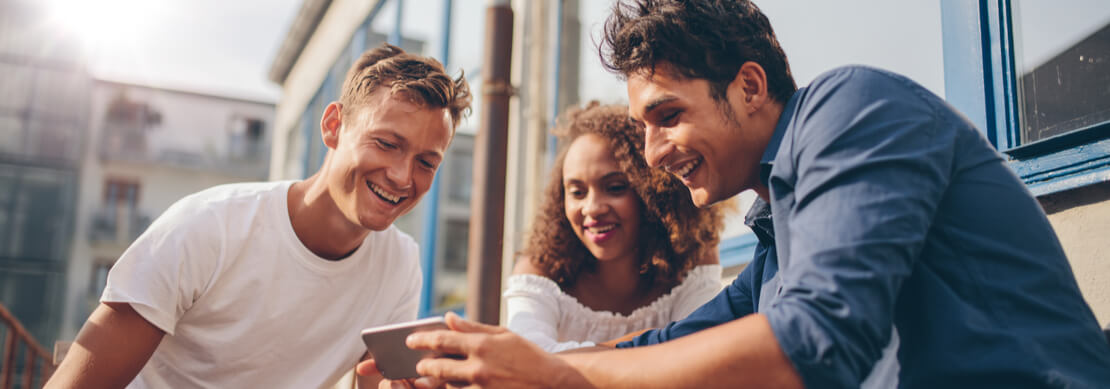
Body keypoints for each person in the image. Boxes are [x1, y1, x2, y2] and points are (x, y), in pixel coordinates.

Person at [363, 0, 1110, 387]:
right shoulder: (783, 226)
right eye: (641, 126)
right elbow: (669, 345)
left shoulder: (853, 108)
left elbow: (813, 345)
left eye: (668, 116)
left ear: (749, 86)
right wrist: (502, 364)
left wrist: (557, 374)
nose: (655, 151)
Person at [46, 44, 471, 389]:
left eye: (426, 163)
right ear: (333, 126)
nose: (402, 176)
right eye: (386, 143)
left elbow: (371, 384)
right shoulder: (209, 227)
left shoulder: (399, 264)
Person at [504, 102, 726, 353]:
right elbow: (526, 361)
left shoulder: (694, 260)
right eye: (577, 192)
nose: (592, 208)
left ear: (653, 193)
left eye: (615, 187)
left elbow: (698, 355)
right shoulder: (541, 270)